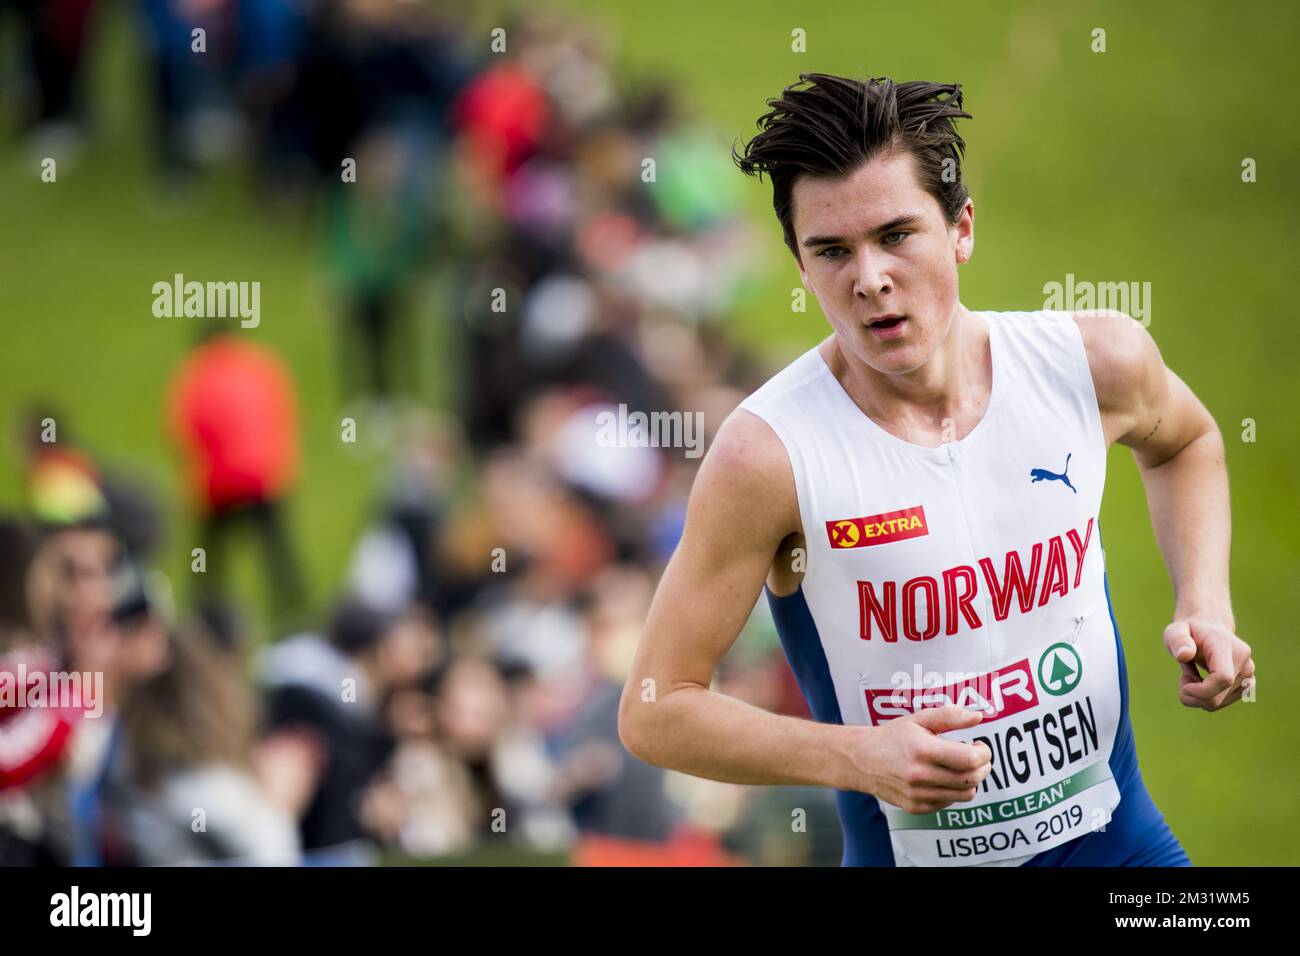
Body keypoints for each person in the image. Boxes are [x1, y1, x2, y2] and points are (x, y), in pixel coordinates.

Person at [619, 73, 1255, 867]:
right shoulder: (768, 455)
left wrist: (1206, 605)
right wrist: (857, 757)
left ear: (962, 228)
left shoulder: (1092, 362)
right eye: (832, 251)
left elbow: (1186, 442)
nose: (870, 278)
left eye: (896, 234)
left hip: (1118, 847)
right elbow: (655, 707)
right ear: (800, 266)